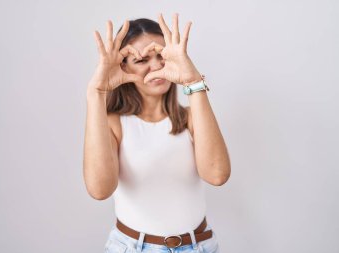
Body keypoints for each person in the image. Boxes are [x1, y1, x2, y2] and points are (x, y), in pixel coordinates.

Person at [83, 13, 231, 253]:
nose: (156, 66)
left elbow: (217, 175)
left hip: (199, 246)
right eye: (141, 60)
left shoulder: (190, 117)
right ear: (123, 66)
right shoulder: (115, 124)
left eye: (161, 56)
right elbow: (99, 189)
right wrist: (96, 92)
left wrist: (192, 81)